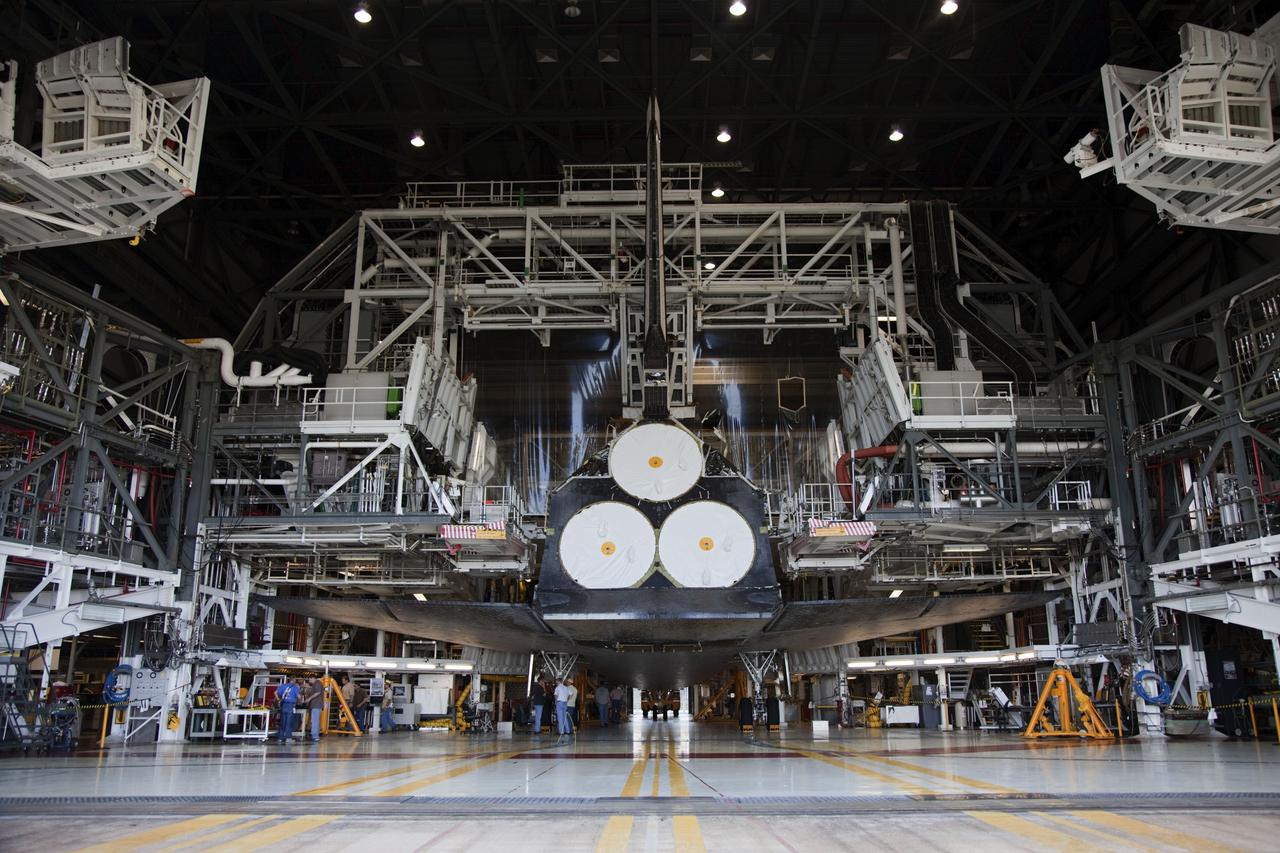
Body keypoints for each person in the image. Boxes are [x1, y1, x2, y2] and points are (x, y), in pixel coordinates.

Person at [275, 678, 300, 743]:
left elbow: (275, 692)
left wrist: (278, 699)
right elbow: (298, 696)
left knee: (283, 721)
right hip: (290, 705)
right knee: (289, 722)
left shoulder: (283, 686)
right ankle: (288, 738)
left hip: (283, 705)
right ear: (294, 681)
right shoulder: (295, 687)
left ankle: (280, 738)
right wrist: (300, 701)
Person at [301, 677, 325, 742]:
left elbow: (318, 692)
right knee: (315, 721)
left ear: (313, 678)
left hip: (316, 705)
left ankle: (315, 736)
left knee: (315, 721)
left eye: (310, 679)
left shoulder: (317, 683)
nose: (309, 681)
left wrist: (309, 699)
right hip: (315, 705)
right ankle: (315, 735)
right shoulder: (316, 684)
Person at [553, 678, 572, 744]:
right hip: (565, 703)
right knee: (564, 717)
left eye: (556, 681)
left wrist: (556, 702)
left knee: (560, 718)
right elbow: (570, 694)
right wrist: (567, 699)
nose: (556, 682)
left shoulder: (557, 688)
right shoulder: (566, 688)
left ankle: (562, 731)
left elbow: (556, 696)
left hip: (559, 702)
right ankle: (568, 730)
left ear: (558, 681)